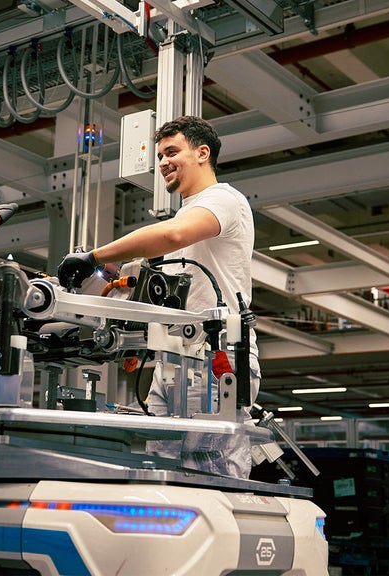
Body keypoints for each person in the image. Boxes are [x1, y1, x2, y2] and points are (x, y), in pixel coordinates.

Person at [57, 115, 260, 478]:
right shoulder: (188, 212)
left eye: (171, 151)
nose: (163, 162)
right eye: (160, 155)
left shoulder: (223, 200)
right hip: (173, 362)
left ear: (202, 153)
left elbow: (172, 236)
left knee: (211, 477)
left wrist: (94, 256)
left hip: (214, 359)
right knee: (163, 472)